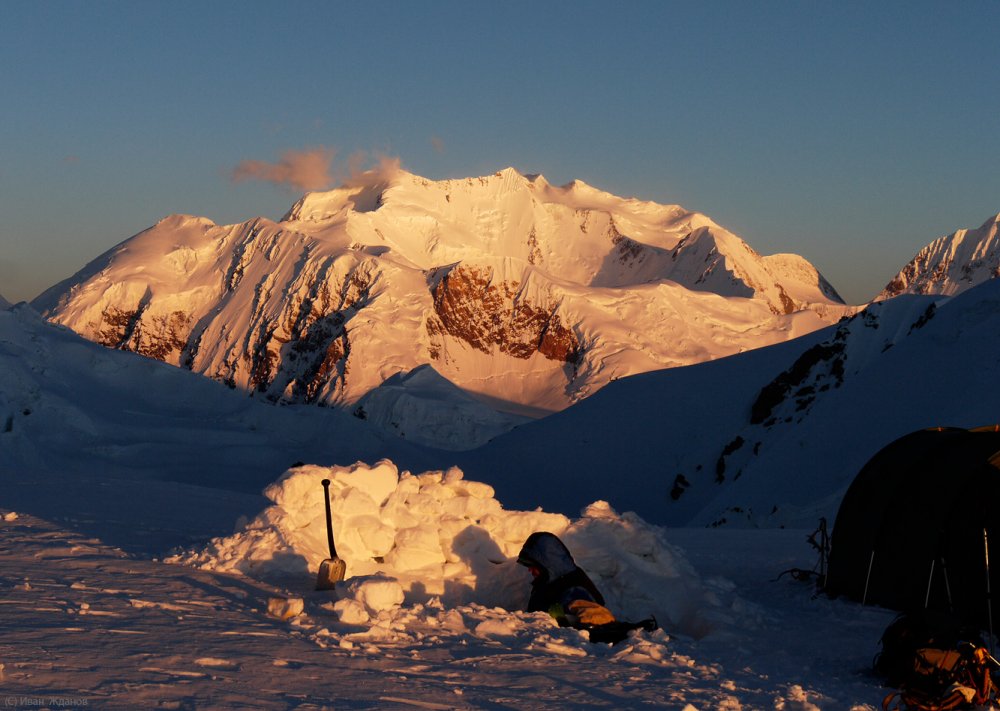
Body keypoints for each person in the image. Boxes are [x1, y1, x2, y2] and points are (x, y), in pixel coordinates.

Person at [516, 531, 617, 629]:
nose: (529, 569)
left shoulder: (574, 588)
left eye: (533, 566)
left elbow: (599, 620)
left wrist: (562, 622)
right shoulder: (548, 583)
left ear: (546, 565)